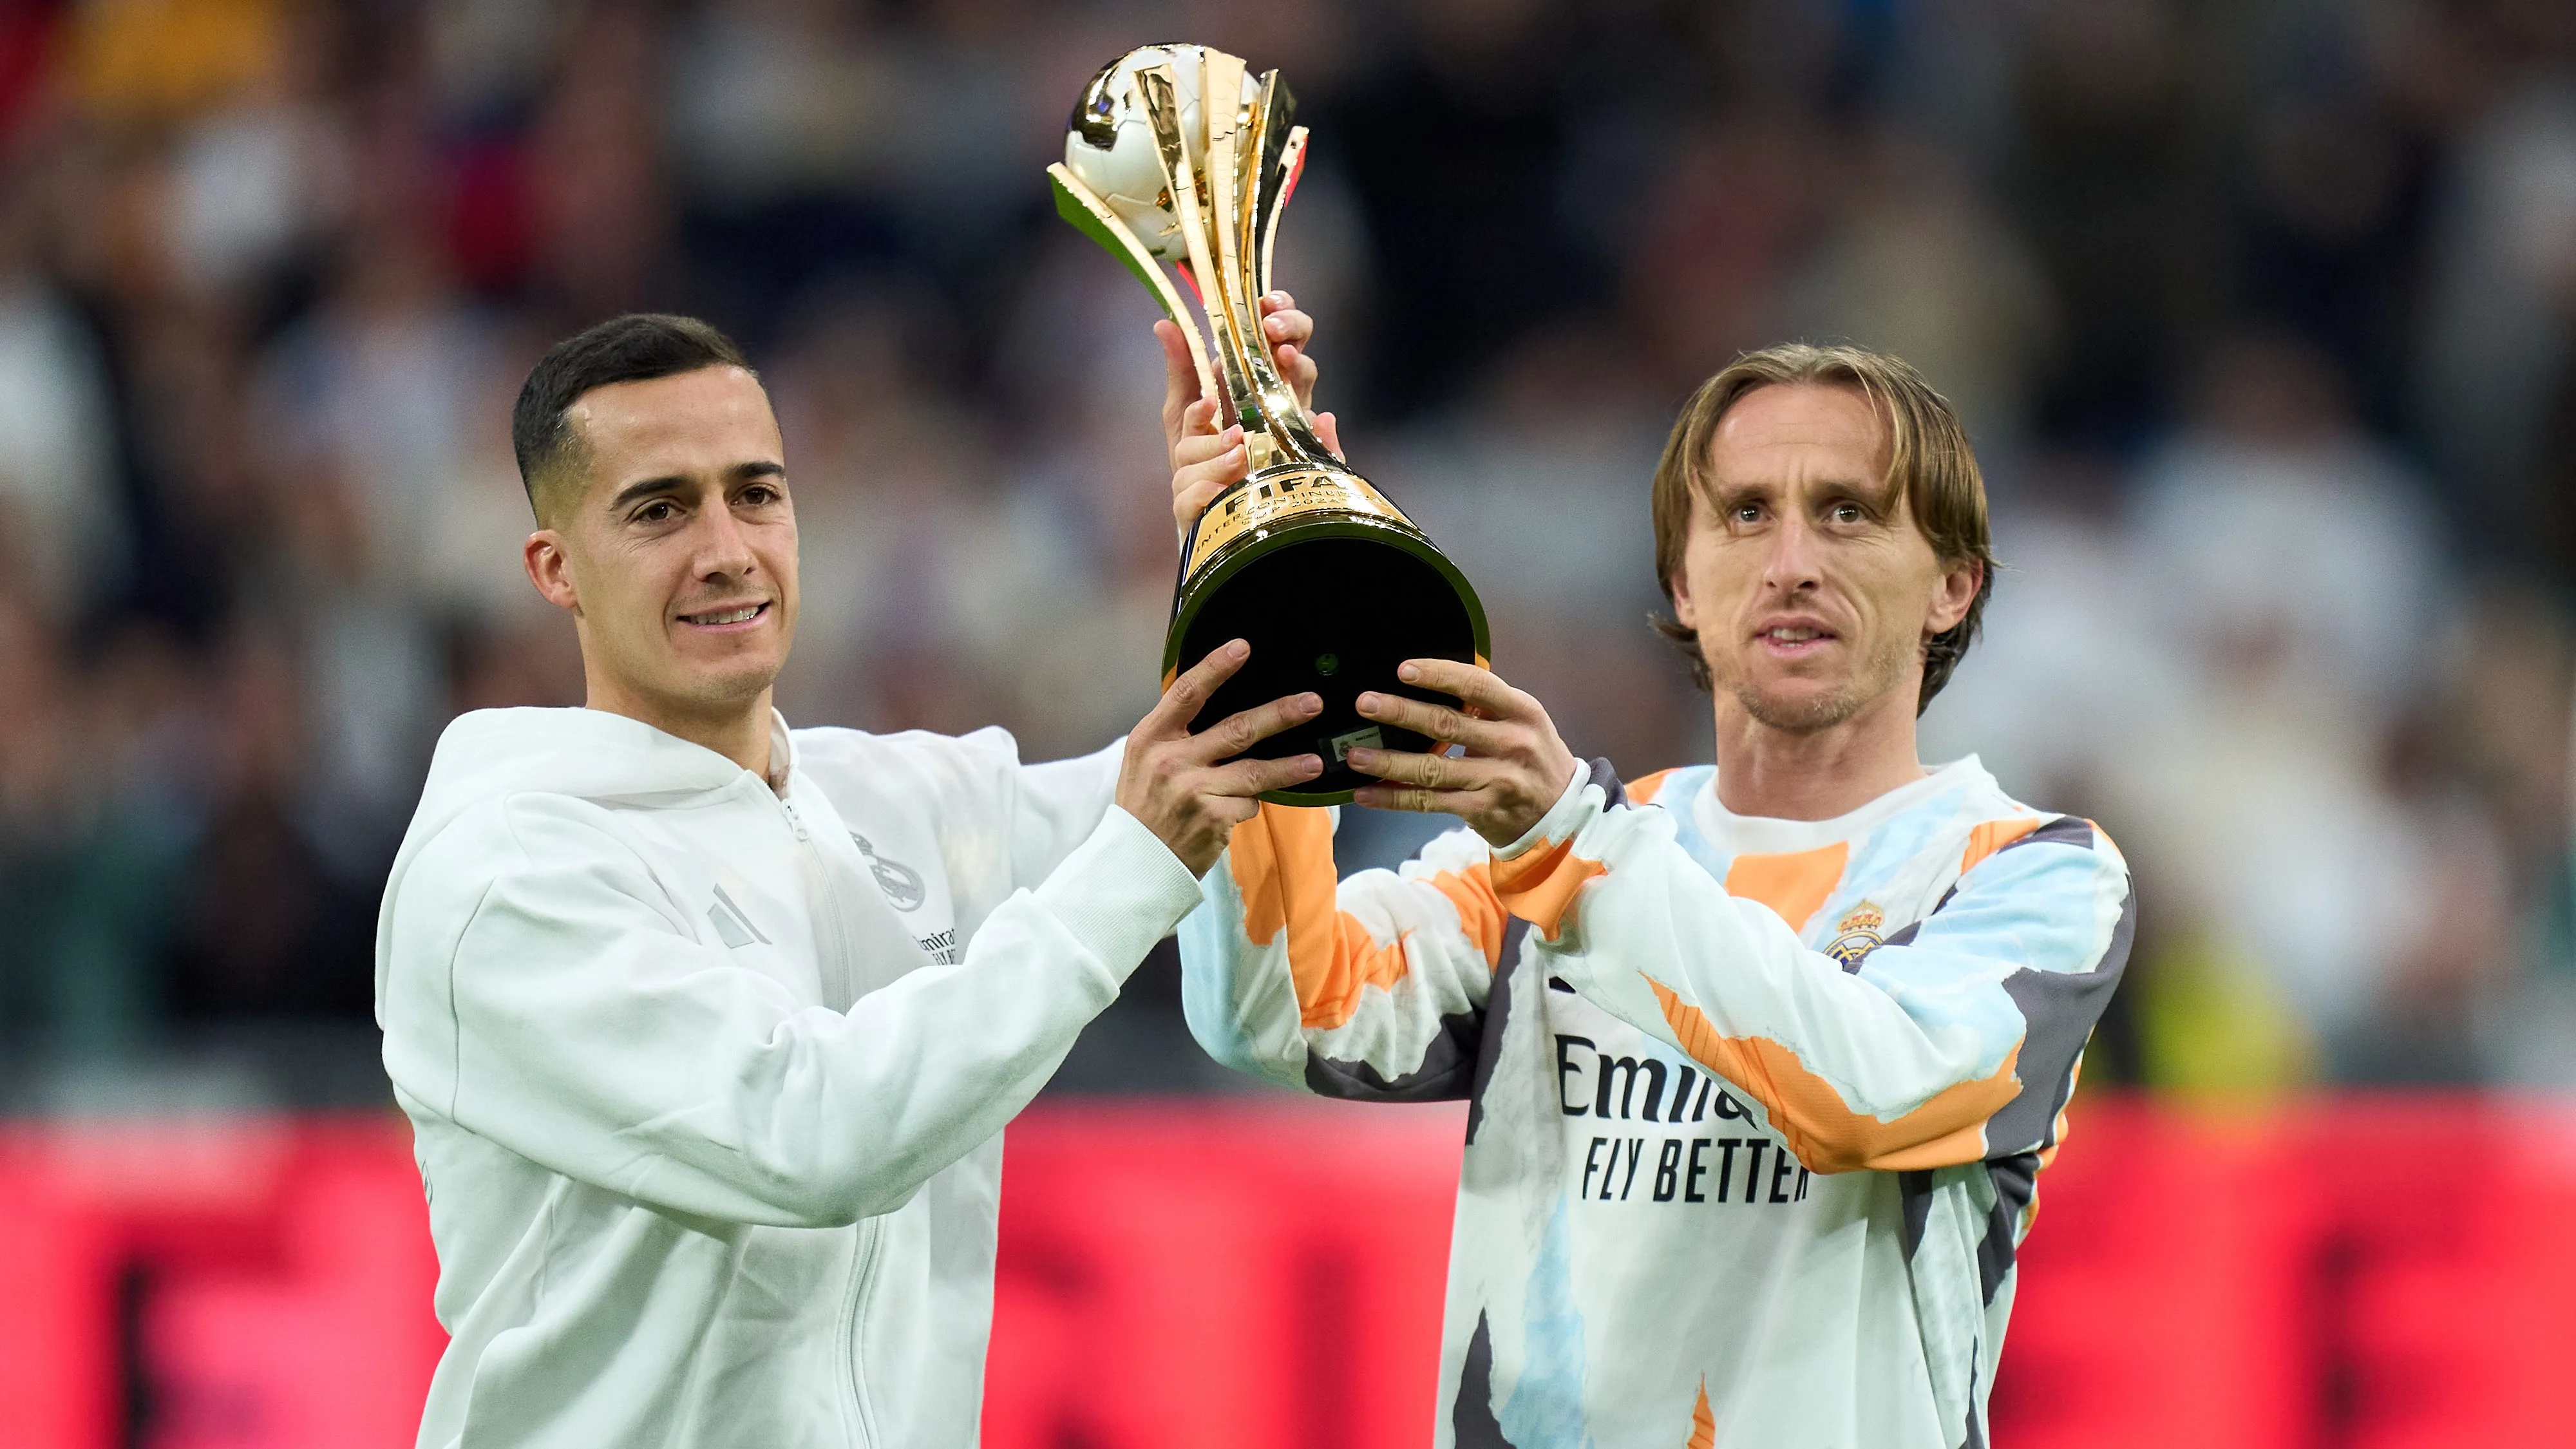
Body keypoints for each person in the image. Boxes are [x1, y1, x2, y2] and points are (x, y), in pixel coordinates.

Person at [374, 310, 1331, 1448]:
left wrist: (1251, 520)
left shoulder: (892, 799)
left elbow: (1211, 766)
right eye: (659, 509)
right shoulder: (503, 878)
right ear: (555, 569)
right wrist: (1136, 862)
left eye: (757, 493)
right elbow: (808, 1137)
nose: (726, 547)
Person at [1166, 339, 2134, 1447]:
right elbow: (1279, 1010)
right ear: (1683, 578)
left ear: (1954, 584)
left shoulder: (2033, 873)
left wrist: (1572, 842)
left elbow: (1872, 1098)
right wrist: (1259, 596)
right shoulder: (1561, 851)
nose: (1792, 562)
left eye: (1849, 513)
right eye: (1745, 515)